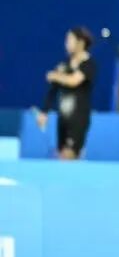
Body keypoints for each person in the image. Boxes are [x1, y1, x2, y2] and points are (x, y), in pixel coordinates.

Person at [36, 26, 96, 160]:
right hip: (63, 118)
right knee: (61, 154)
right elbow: (52, 90)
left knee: (70, 155)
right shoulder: (63, 65)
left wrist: (56, 76)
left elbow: (74, 80)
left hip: (79, 119)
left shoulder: (89, 64)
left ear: (80, 42)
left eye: (70, 40)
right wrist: (44, 112)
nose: (66, 44)